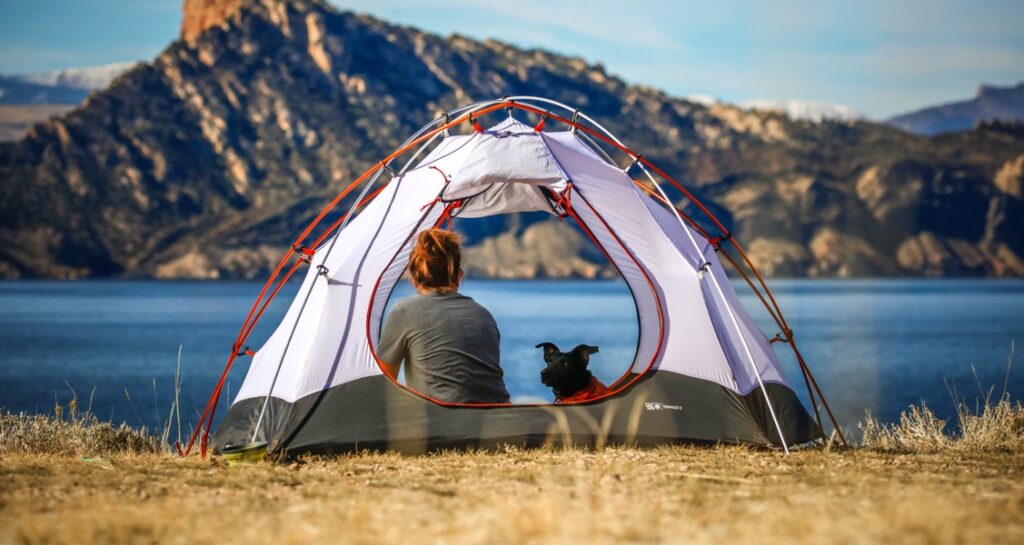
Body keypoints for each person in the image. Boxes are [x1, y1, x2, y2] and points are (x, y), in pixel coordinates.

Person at [377, 229, 510, 404]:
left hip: (441, 425)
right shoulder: (484, 315)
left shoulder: (404, 312)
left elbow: (385, 383)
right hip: (500, 421)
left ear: (414, 279)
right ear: (458, 276)